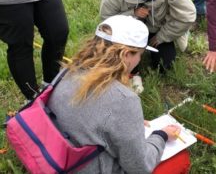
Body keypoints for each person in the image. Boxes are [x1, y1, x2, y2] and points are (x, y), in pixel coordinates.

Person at [48, 15, 191, 173]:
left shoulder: (68, 70)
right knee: (180, 159)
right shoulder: (125, 100)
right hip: (85, 168)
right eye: (139, 54)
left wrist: (127, 124)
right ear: (125, 55)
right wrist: (161, 135)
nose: (139, 60)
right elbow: (139, 168)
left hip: (54, 154)